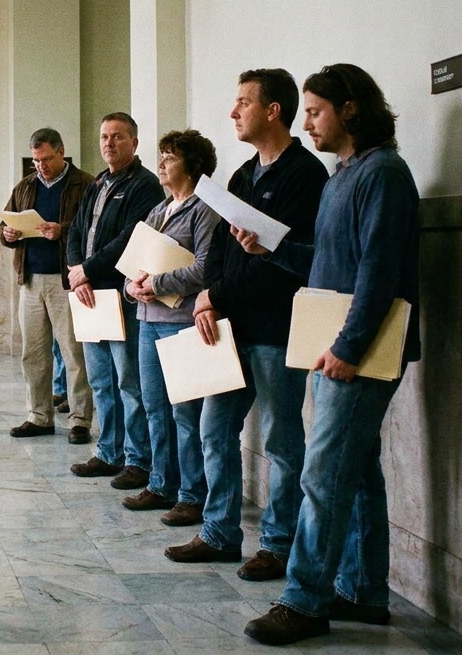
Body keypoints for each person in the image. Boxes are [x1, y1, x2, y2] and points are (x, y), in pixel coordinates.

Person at [238, 64, 420, 646]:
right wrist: (273, 248)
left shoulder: (384, 173)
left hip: (358, 348)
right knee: (358, 471)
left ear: (350, 109)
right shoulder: (345, 174)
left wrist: (347, 347)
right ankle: (365, 591)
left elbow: (379, 271)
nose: (307, 122)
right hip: (338, 342)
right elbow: (326, 261)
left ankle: (305, 599)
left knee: (322, 473)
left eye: (315, 111)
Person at [162, 69, 328, 579]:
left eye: (242, 103)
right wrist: (208, 296)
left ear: (272, 110)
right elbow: (221, 254)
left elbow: (283, 263)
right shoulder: (240, 177)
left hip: (277, 329)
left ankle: (278, 545)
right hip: (229, 329)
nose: (233, 113)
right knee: (215, 430)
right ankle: (219, 533)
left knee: (281, 442)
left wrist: (220, 293)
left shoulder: (306, 175)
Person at [120, 130, 219, 516]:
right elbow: (134, 264)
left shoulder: (203, 210)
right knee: (154, 406)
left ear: (192, 166)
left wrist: (156, 282)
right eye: (160, 157)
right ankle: (161, 483)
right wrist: (132, 287)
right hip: (148, 319)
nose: (161, 164)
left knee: (185, 412)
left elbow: (205, 266)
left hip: (182, 321)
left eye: (170, 158)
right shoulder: (158, 212)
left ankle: (192, 494)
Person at [65, 113, 164, 486]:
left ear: (134, 143)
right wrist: (78, 273)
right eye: (104, 136)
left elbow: (128, 238)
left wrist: (88, 269)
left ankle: (137, 460)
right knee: (101, 381)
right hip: (90, 295)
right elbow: (76, 229)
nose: (109, 143)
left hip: (120, 295)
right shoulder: (98, 182)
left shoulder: (145, 186)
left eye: (118, 137)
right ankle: (108, 452)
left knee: (128, 383)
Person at [0, 128, 96, 443]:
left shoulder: (84, 183)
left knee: (73, 351)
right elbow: (7, 223)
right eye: (36, 161)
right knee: (34, 352)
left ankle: (80, 420)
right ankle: (39, 416)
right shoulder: (26, 186)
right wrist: (8, 234)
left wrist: (62, 230)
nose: (41, 166)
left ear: (61, 151)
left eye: (47, 159)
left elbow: (91, 229)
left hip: (65, 280)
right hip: (30, 279)